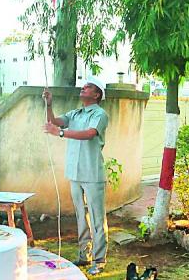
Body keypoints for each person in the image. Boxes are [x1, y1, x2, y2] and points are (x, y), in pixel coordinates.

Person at [42, 77, 109, 276]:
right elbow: (54, 121)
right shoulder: (76, 113)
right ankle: (84, 255)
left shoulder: (100, 114)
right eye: (84, 85)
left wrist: (61, 133)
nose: (84, 88)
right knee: (81, 215)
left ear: (97, 94)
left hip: (92, 174)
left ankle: (99, 260)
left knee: (97, 218)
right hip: (75, 173)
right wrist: (49, 104)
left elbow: (89, 134)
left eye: (88, 87)